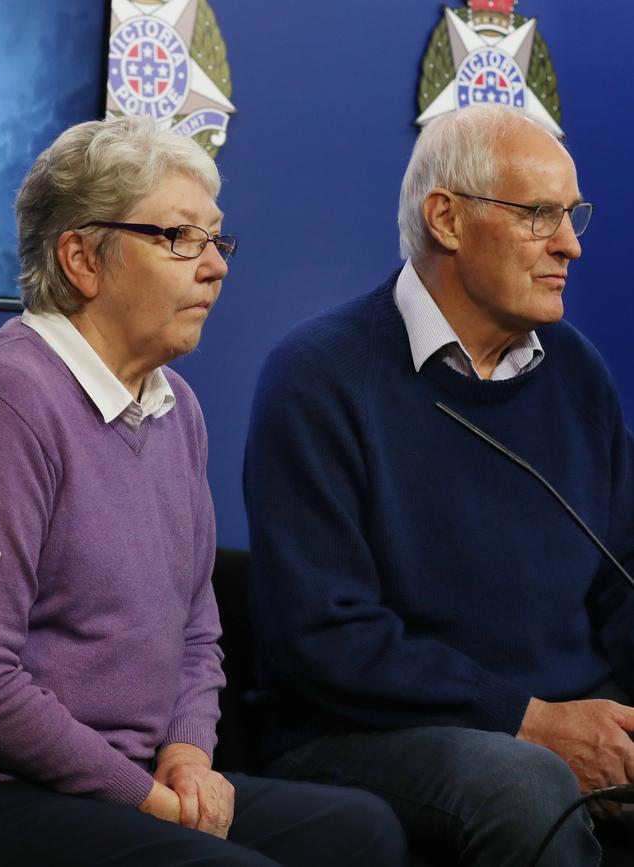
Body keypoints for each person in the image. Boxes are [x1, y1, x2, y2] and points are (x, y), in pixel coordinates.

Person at [0, 116, 409, 867]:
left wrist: (186, 755)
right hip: (16, 789)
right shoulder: (11, 397)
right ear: (82, 258)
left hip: (143, 780)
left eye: (217, 239)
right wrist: (146, 796)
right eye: (182, 237)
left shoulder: (176, 404)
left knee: (361, 830)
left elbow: (197, 631)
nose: (214, 265)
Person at [243, 103, 634, 866]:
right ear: (447, 219)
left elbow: (625, 581)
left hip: (565, 715)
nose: (571, 244)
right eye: (539, 214)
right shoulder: (319, 378)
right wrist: (526, 719)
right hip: (369, 734)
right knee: (525, 784)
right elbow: (325, 637)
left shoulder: (575, 371)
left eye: (572, 213)